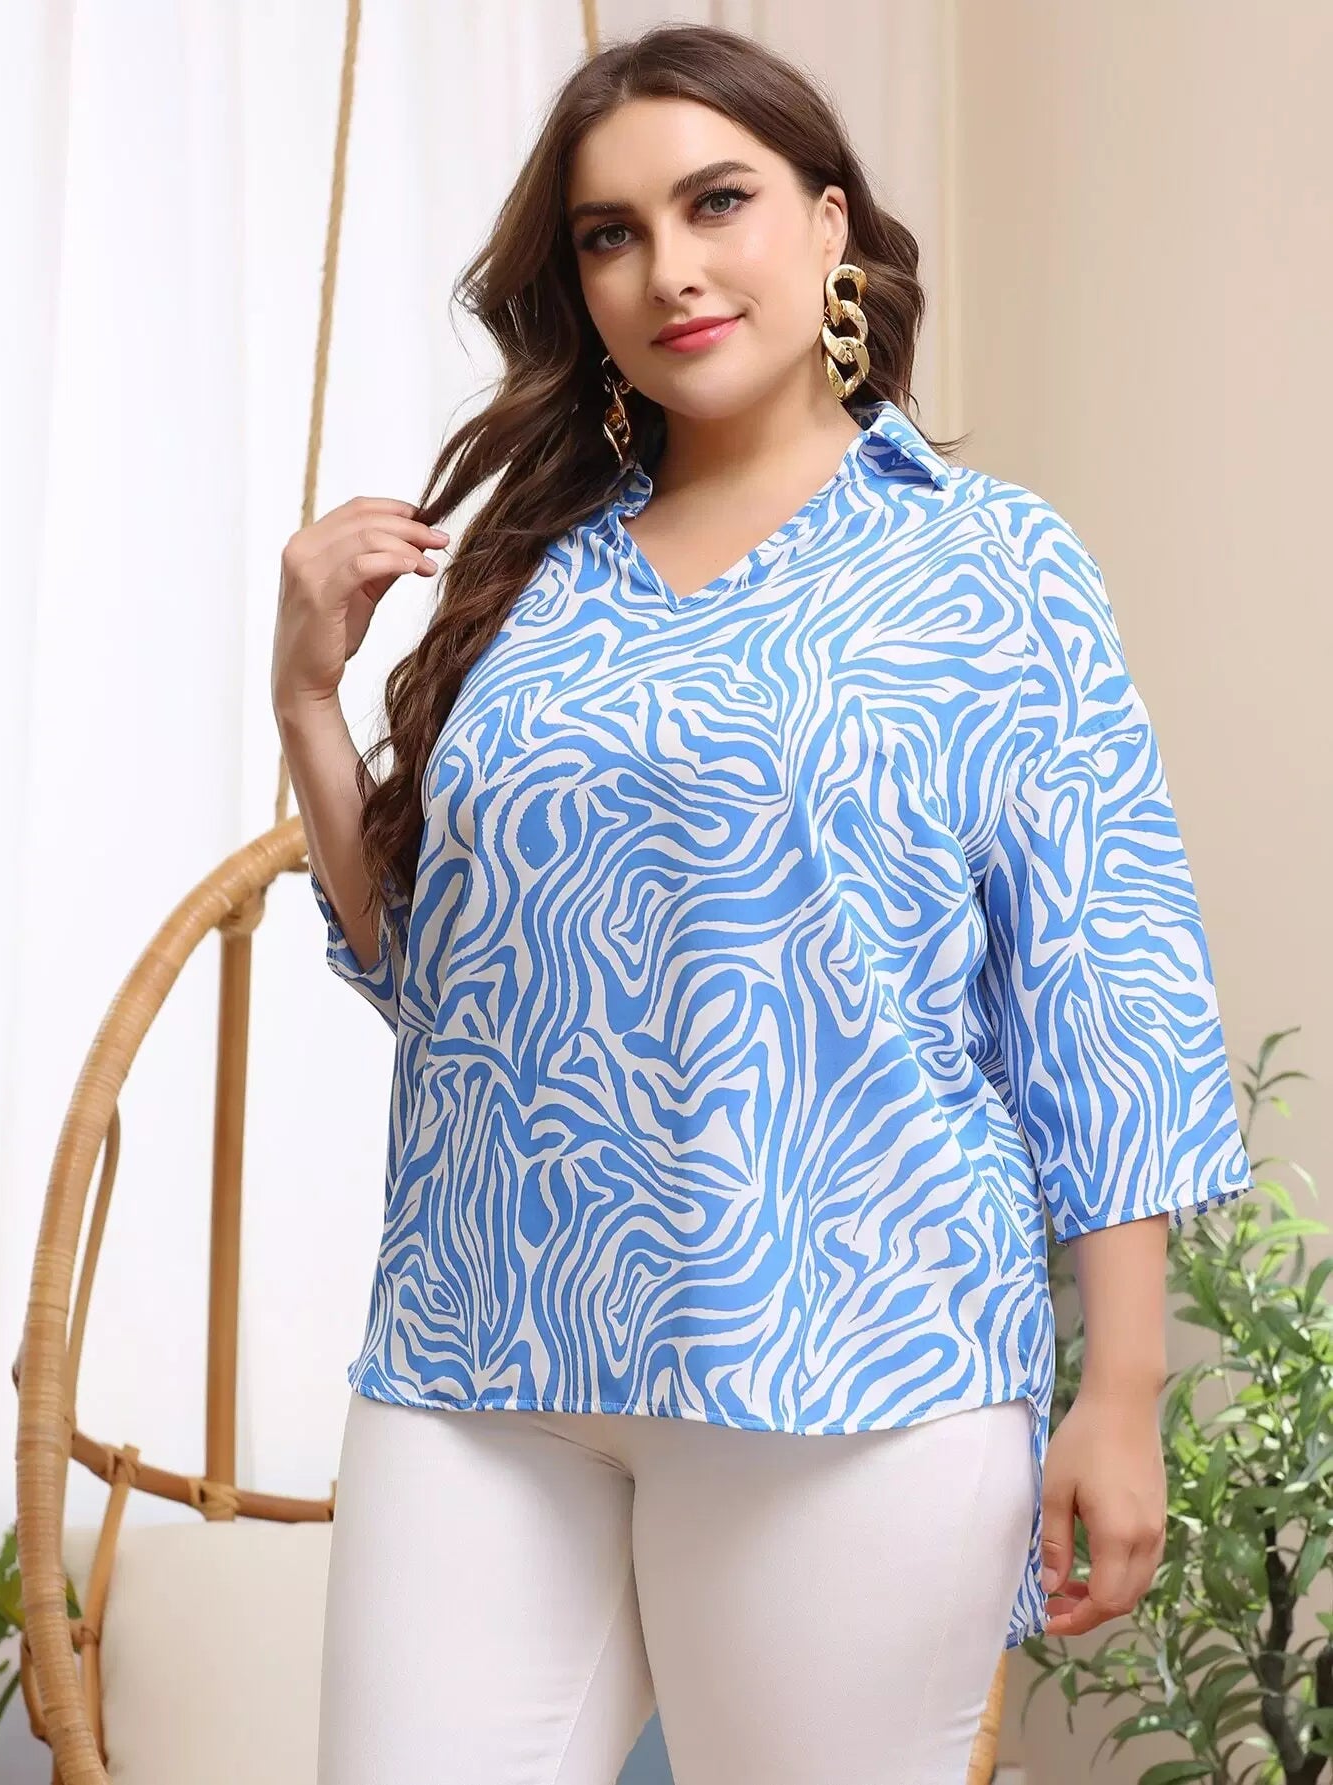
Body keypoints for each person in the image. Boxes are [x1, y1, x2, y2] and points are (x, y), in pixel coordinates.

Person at [271, 23, 1255, 1785]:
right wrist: (304, 705)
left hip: (853, 1359)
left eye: (715, 202)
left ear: (828, 226)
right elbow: (439, 971)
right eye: (612, 233)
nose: (669, 266)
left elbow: (1107, 986)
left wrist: (1120, 1394)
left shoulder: (990, 563)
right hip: (482, 1343)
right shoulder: (533, 574)